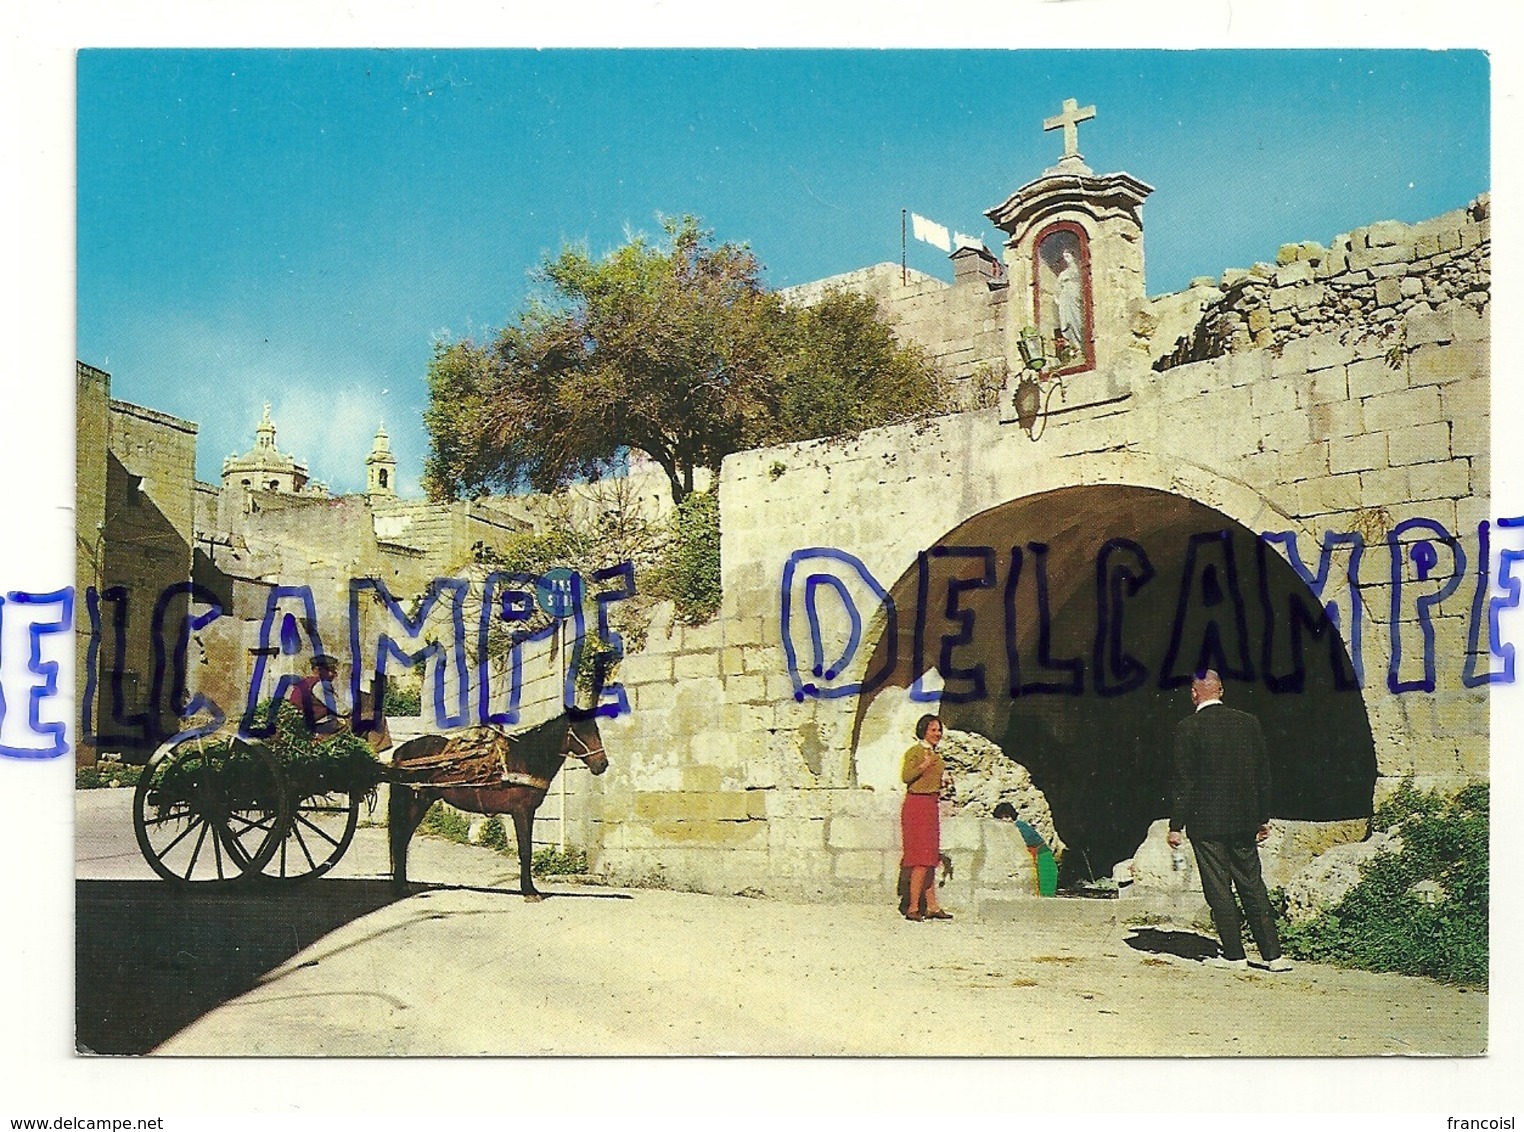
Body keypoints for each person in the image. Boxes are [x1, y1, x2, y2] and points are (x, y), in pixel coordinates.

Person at [1167, 670, 1293, 972]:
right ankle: (1273, 955)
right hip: (1244, 820)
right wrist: (1263, 817)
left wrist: (1175, 825)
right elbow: (1263, 774)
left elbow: (1184, 781)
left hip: (1206, 823)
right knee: (1252, 883)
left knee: (1218, 886)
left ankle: (1234, 955)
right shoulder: (1248, 722)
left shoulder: (1188, 727)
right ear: (1221, 690)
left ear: (1194, 694)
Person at [900, 714, 952, 922]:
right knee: (920, 857)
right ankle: (913, 907)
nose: (937, 734)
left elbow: (933, 780)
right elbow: (906, 777)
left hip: (931, 805)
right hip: (916, 805)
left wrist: (944, 781)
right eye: (933, 730)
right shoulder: (914, 752)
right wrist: (924, 765)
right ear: (924, 730)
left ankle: (931, 905)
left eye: (939, 730)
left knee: (930, 857)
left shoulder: (938, 757)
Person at [288, 654, 345, 736]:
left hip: (302, 723)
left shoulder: (305, 683)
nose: (335, 675)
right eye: (331, 671)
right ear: (319, 670)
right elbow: (338, 708)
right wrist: (351, 713)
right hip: (318, 724)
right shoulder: (320, 685)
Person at [1054, 247, 1084, 350]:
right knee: (1067, 322)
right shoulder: (1063, 273)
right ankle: (1073, 346)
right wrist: (1057, 298)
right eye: (1064, 257)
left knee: (1077, 320)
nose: (1066, 259)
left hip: (1075, 298)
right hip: (1065, 300)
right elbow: (1057, 289)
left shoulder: (1079, 269)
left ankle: (1081, 344)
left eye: (1067, 256)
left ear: (1073, 257)